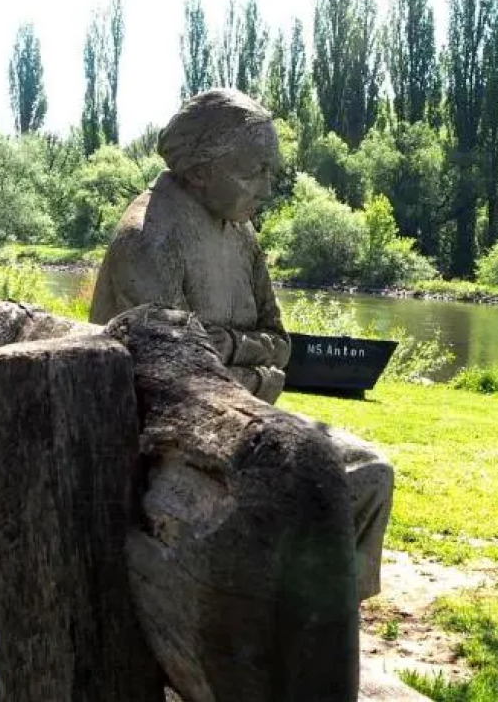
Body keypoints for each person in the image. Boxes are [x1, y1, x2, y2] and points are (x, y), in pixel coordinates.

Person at [90, 88, 393, 599]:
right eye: (254, 171)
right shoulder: (148, 240)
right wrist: (256, 370)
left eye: (270, 170)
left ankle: (325, 622)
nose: (268, 187)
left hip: (243, 424)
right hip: (165, 448)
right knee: (299, 495)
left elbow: (279, 341)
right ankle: (268, 636)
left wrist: (233, 353)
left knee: (369, 474)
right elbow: (179, 378)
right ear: (202, 168)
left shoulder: (241, 234)